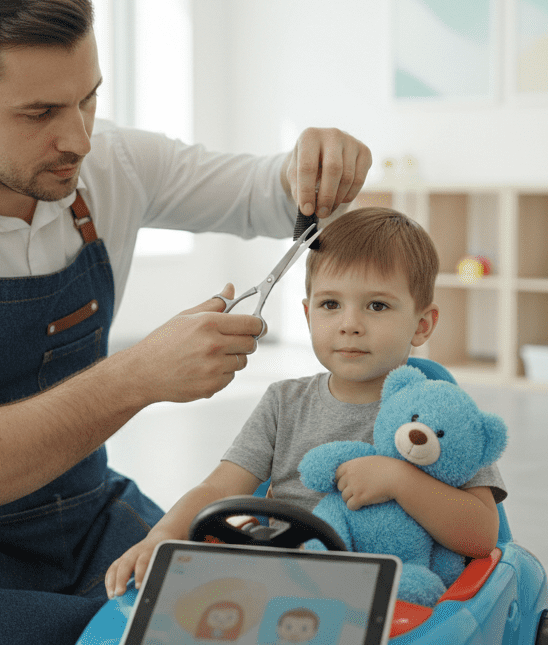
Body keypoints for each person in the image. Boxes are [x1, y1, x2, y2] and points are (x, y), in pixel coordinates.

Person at [0, 0, 371, 644]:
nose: (78, 138)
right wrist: (137, 377)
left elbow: (275, 193)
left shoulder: (112, 163)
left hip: (83, 511)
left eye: (89, 97)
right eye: (40, 111)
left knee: (246, 623)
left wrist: (316, 162)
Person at [104, 207, 506, 598]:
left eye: (377, 305)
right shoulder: (284, 402)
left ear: (422, 325)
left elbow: (482, 536)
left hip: (396, 590)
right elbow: (219, 487)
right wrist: (160, 537)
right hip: (283, 584)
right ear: (308, 313)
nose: (349, 324)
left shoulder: (439, 412)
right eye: (330, 304)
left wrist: (400, 481)